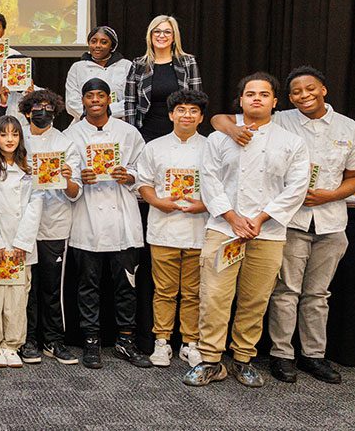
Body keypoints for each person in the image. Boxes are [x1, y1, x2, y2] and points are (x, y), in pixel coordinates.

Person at [212, 66, 355, 385]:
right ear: (287, 98)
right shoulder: (280, 118)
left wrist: (328, 196)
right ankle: (283, 355)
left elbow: (354, 179)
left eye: (310, 89)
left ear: (324, 89)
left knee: (318, 294)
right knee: (285, 292)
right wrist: (228, 127)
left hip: (332, 222)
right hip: (289, 221)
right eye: (296, 92)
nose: (304, 95)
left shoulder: (350, 128)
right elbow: (220, 119)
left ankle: (314, 356)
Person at [184, 73, 310, 388]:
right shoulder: (218, 138)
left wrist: (261, 218)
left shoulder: (291, 142)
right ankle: (211, 359)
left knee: (255, 299)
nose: (256, 98)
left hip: (267, 233)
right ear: (240, 100)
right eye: (250, 94)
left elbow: (296, 187)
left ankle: (243, 359)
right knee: (214, 296)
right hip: (223, 229)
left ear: (274, 102)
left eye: (264, 94)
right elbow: (209, 180)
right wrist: (233, 217)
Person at [65, 78, 151, 369]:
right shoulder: (72, 133)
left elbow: (144, 171)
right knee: (88, 285)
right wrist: (79, 178)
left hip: (122, 217)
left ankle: (126, 341)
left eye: (100, 95)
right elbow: (67, 175)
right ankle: (91, 342)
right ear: (83, 101)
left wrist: (129, 176)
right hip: (87, 217)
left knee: (125, 285)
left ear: (109, 99)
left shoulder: (128, 133)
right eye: (90, 96)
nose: (95, 101)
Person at [136, 89, 210, 368]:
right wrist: (157, 201)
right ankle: (162, 341)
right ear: (170, 115)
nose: (186, 115)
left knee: (193, 291)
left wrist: (204, 204)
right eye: (181, 110)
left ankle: (190, 342)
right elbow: (143, 182)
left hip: (199, 228)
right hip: (163, 227)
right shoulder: (154, 147)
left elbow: (221, 187)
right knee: (164, 290)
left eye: (193, 111)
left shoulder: (211, 147)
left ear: (201, 117)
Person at [15, 89, 82, 365]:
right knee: (25, 287)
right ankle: (27, 339)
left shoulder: (66, 143)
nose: (43, 113)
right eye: (37, 108)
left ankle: (53, 339)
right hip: (22, 226)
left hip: (54, 224)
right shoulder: (17, 140)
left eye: (48, 108)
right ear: (27, 112)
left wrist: (66, 178)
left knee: (53, 287)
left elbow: (76, 192)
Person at [0, 114, 42, 368]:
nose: (9, 139)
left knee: (18, 297)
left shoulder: (29, 168)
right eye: (4, 134)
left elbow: (35, 205)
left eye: (14, 134)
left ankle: (12, 344)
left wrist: (20, 243)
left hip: (21, 245)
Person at [124, 15, 202, 142]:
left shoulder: (187, 62)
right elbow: (130, 102)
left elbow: (197, 99)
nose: (161, 35)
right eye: (157, 31)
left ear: (174, 37)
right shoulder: (139, 64)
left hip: (180, 134)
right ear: (150, 35)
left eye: (167, 32)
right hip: (146, 134)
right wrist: (133, 133)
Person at [65, 26, 132, 121]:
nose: (98, 45)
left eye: (104, 42)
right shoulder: (77, 67)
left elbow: (130, 100)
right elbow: (71, 102)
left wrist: (104, 114)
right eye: (93, 41)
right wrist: (91, 117)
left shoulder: (126, 66)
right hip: (84, 123)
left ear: (112, 46)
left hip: (118, 123)